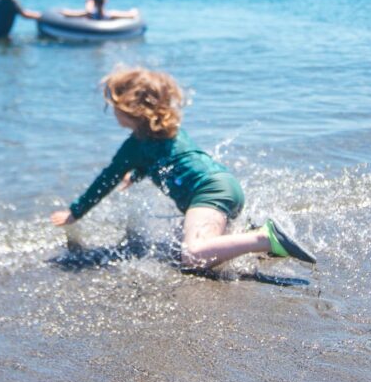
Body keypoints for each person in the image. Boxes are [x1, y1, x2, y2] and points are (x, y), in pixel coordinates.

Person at [50, 67, 316, 270]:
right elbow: (166, 159)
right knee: (196, 249)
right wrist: (137, 174)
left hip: (209, 194)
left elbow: (106, 180)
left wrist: (75, 211)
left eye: (114, 109)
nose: (113, 114)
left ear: (132, 111)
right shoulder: (170, 131)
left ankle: (265, 238)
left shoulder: (134, 146)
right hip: (226, 185)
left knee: (191, 255)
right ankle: (249, 235)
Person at [59, 0, 138, 20]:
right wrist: (134, 10)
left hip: (92, 15)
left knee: (88, 10)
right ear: (105, 1)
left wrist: (61, 11)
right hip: (103, 16)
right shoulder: (110, 15)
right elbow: (131, 15)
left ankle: (89, 2)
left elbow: (68, 14)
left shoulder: (88, 14)